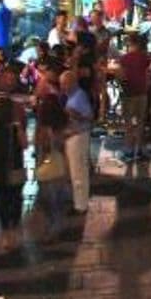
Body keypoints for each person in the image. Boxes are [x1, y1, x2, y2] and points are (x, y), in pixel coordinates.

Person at [0, 95, 27, 250]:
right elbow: (24, 145)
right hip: (14, 168)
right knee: (16, 199)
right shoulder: (15, 128)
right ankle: (16, 229)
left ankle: (6, 235)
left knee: (3, 202)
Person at [34, 94, 70, 241]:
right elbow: (63, 150)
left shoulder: (42, 130)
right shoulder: (61, 128)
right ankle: (58, 227)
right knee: (58, 204)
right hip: (59, 168)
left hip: (47, 171)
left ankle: (53, 230)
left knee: (49, 204)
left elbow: (40, 153)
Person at [117, 33, 151, 161]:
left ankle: (128, 150)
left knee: (128, 123)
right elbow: (148, 74)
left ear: (130, 43)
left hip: (129, 93)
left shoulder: (124, 58)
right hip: (142, 93)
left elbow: (121, 76)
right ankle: (140, 149)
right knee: (140, 122)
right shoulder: (145, 57)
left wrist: (122, 85)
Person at [62, 67, 93, 215]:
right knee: (79, 171)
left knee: (78, 172)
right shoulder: (74, 96)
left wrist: (74, 115)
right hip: (75, 136)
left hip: (78, 137)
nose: (62, 87)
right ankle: (80, 202)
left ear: (72, 83)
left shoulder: (79, 96)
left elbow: (89, 117)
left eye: (64, 84)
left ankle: (80, 206)